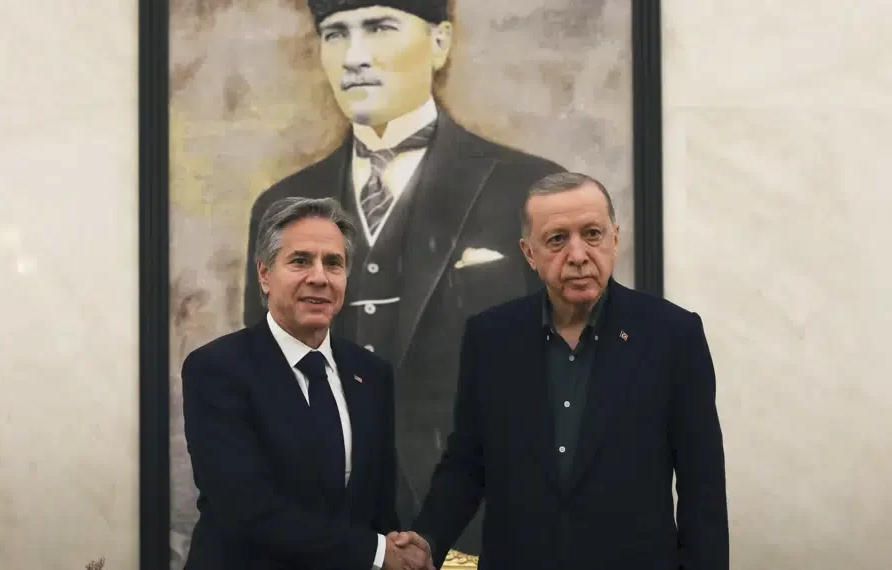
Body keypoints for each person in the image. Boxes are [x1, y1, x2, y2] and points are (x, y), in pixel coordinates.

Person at [242, 0, 567, 556]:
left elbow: (563, 373)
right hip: (329, 530)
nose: (355, 56)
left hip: (478, 525)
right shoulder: (282, 204)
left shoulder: (528, 187)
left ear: (439, 43)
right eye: (335, 33)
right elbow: (264, 383)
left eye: (380, 28)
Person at [393, 172, 730, 569]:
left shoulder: (673, 335)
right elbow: (468, 461)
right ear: (529, 252)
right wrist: (429, 539)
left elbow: (701, 486)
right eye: (557, 239)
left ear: (615, 238)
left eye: (592, 234)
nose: (577, 254)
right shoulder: (491, 337)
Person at [182, 197, 428, 569]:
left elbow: (376, 509)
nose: (319, 277)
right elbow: (247, 511)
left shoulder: (371, 374)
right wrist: (378, 552)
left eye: (333, 263)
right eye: (300, 261)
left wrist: (399, 548)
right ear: (264, 274)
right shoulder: (217, 370)